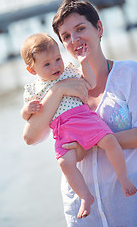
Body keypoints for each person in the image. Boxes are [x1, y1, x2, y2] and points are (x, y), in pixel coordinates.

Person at [20, 32, 136, 219]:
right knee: (64, 163)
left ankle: (123, 178)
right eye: (47, 64)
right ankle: (84, 196)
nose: (55, 66)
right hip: (62, 130)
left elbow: (90, 83)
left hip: (84, 119)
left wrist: (83, 64)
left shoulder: (69, 72)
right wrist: (27, 110)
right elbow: (27, 120)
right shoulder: (33, 90)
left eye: (57, 59)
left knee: (109, 141)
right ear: (32, 70)